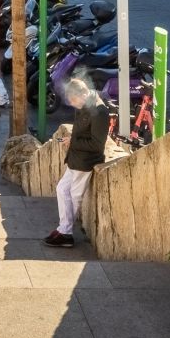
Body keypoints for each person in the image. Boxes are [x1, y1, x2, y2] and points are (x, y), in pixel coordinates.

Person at [46, 78, 110, 248]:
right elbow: (81, 131)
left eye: (74, 100)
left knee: (74, 195)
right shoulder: (83, 105)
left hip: (86, 161)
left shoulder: (99, 111)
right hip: (75, 158)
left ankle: (65, 233)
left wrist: (73, 142)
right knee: (61, 189)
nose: (73, 104)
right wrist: (72, 139)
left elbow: (97, 145)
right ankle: (64, 230)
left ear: (83, 94)